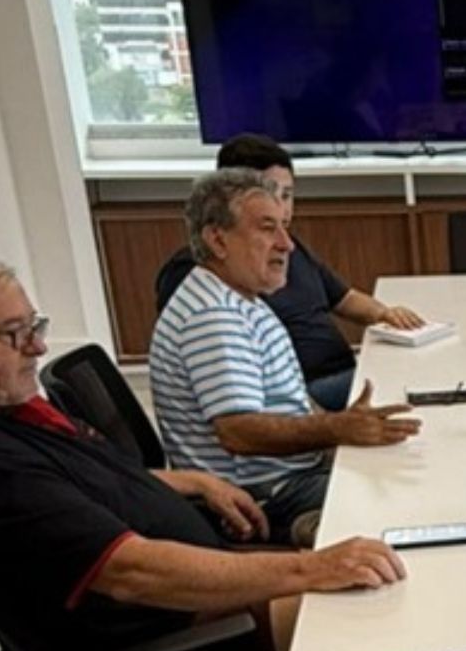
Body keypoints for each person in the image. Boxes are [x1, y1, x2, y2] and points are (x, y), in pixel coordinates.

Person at [0, 250, 409, 651]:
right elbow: (133, 573)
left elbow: (76, 486)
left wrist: (193, 480)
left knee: (380, 576)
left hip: (181, 601)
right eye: (13, 334)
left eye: (34, 326)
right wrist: (309, 569)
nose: (37, 346)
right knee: (367, 618)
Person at [151, 170, 420, 545]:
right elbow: (239, 432)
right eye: (267, 229)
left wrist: (340, 429)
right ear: (218, 239)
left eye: (284, 227)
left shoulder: (236, 297)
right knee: (413, 498)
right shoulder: (213, 317)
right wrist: (337, 429)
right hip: (268, 495)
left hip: (288, 474)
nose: (287, 244)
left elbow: (290, 400)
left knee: (410, 464)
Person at [155, 134, 427, 411]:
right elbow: (242, 412)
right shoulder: (206, 281)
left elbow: (344, 297)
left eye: (287, 195)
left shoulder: (284, 247)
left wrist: (385, 314)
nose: (282, 209)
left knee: (417, 369)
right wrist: (330, 425)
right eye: (269, 195)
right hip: (307, 391)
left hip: (320, 387)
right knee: (409, 382)